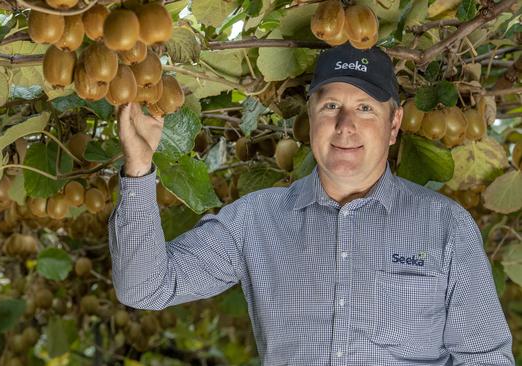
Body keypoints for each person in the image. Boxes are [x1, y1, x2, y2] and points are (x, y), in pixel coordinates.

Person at [108, 43, 514, 365]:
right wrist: (140, 168)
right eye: (331, 106)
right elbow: (145, 289)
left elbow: (485, 358)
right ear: (311, 116)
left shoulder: (446, 225)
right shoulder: (254, 220)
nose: (345, 125)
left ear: (394, 125)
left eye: (365, 108)